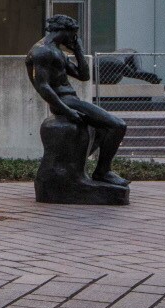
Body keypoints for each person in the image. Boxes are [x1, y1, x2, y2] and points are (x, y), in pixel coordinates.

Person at [26, 14, 128, 186]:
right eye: (74, 34)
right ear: (64, 31)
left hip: (71, 99)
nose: (75, 38)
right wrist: (67, 111)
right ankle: (103, 172)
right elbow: (42, 86)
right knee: (118, 125)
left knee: (103, 130)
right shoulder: (41, 51)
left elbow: (84, 76)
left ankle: (88, 168)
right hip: (65, 101)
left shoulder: (57, 51)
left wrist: (78, 50)